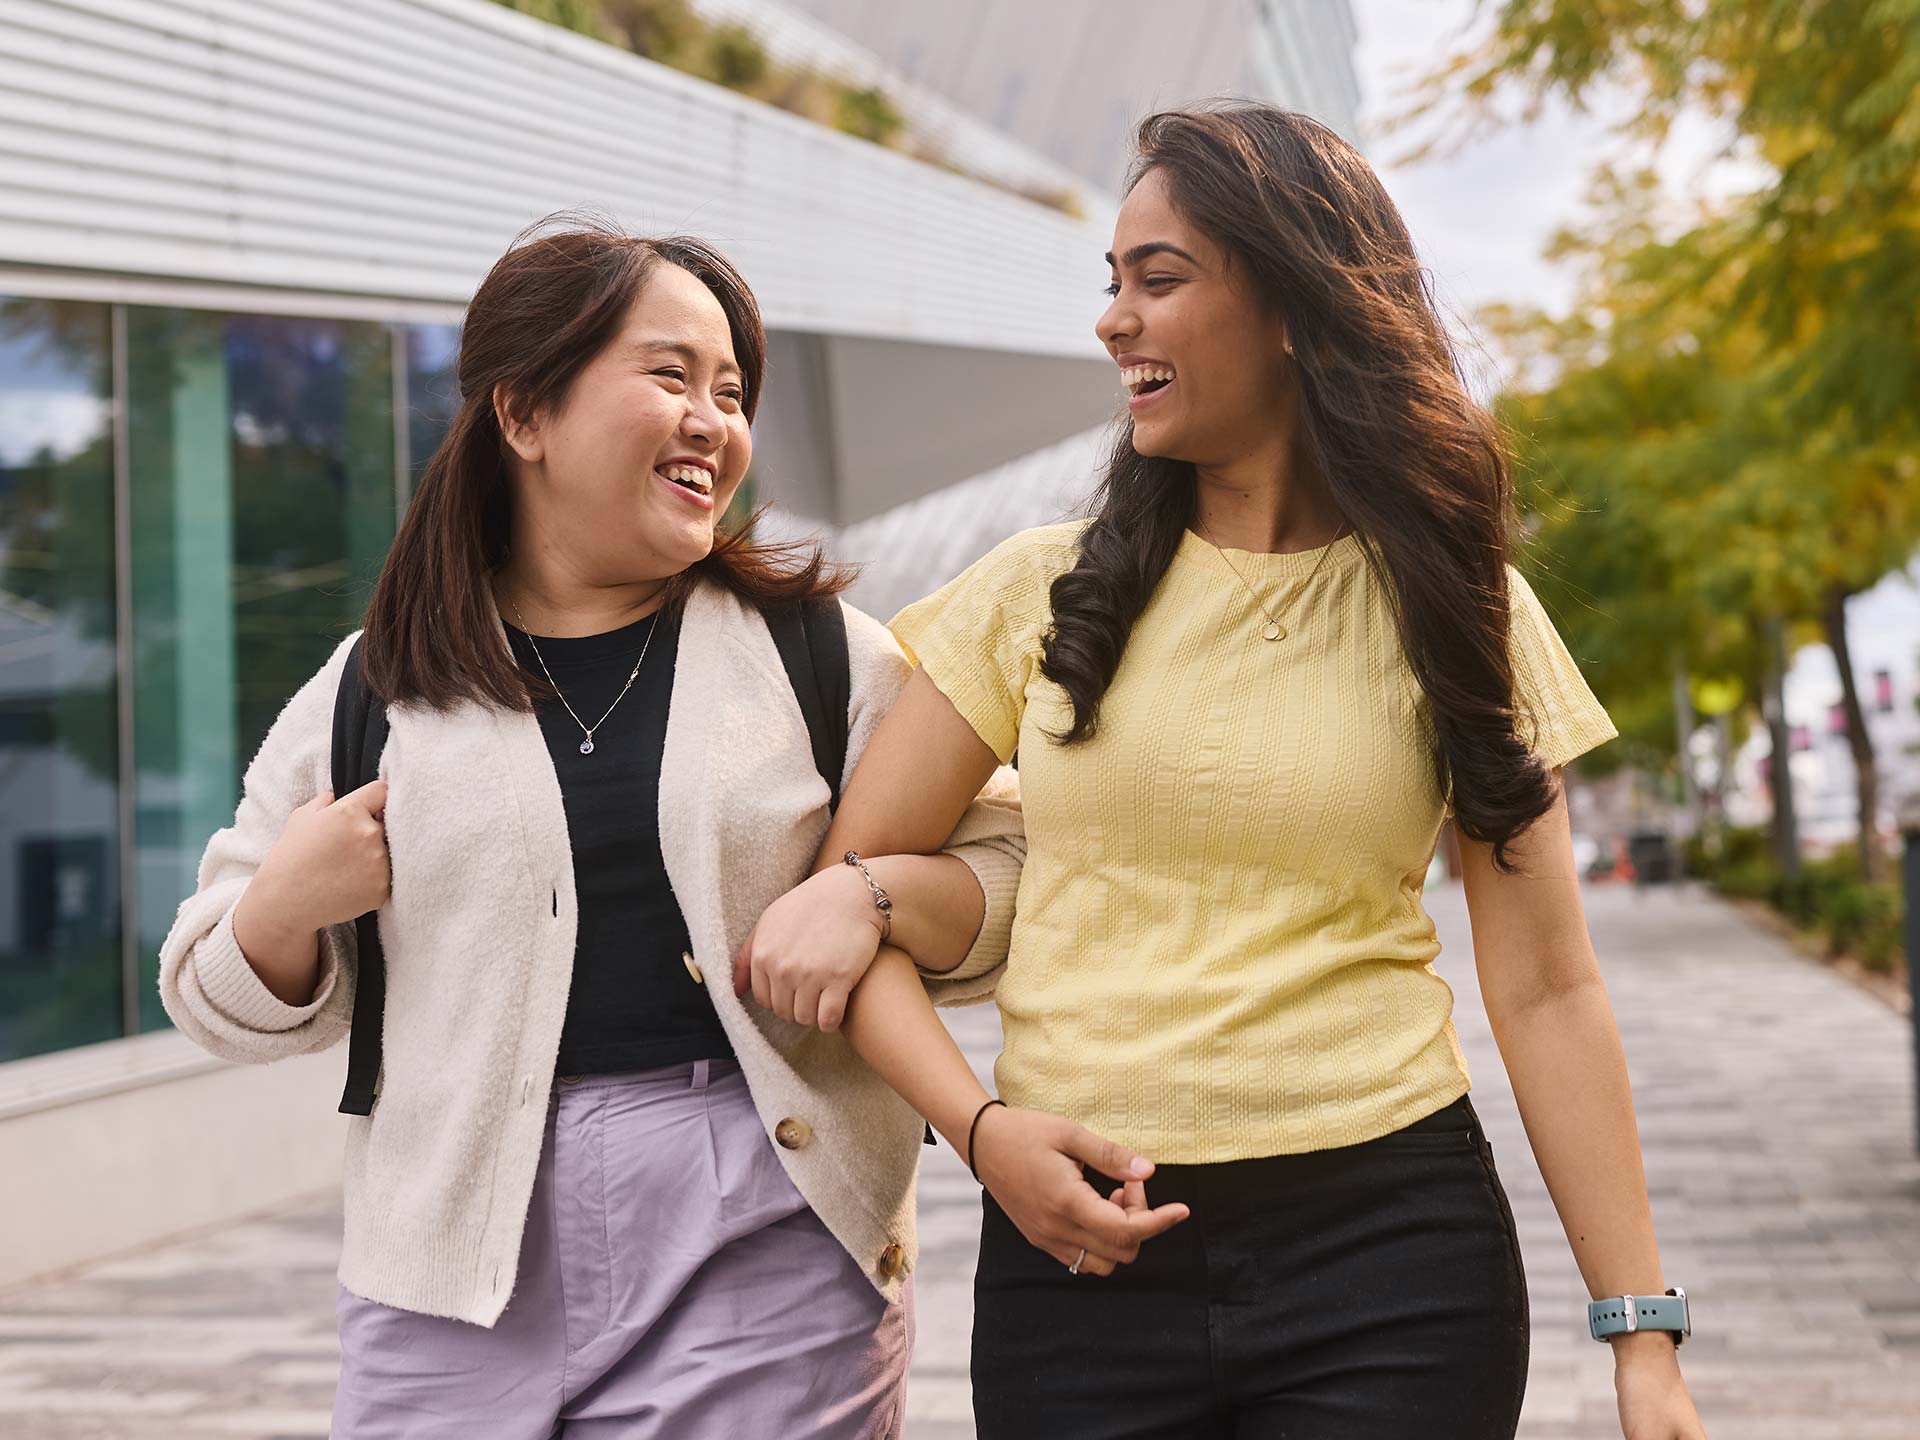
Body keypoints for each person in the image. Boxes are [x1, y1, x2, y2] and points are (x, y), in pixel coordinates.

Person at [739, 106, 1708, 1440]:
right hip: (1080, 1258)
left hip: (1393, 1255)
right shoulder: (1037, 598)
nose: (1114, 322)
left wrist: (1640, 1337)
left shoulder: (1455, 605)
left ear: (1299, 308)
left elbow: (1547, 985)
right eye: (1113, 283)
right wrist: (982, 1134)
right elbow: (847, 916)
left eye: (1160, 279)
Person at [158, 220, 1026, 1440]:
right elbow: (208, 994)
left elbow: (1014, 862)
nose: (713, 420)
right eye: (671, 375)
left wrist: (871, 900)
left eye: (732, 391)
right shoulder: (377, 687)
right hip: (446, 1270)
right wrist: (285, 903)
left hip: (763, 1230)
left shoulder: (818, 656)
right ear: (523, 414)